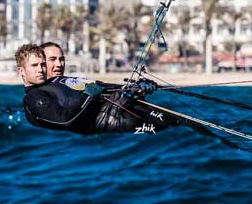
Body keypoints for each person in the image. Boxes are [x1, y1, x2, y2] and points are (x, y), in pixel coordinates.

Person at [15, 43, 178, 135]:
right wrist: (88, 95)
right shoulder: (33, 97)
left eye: (43, 64)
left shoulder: (62, 81)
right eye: (35, 65)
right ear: (21, 71)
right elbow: (64, 120)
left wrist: (137, 88)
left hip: (126, 107)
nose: (41, 69)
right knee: (173, 133)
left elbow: (102, 87)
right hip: (113, 122)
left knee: (180, 124)